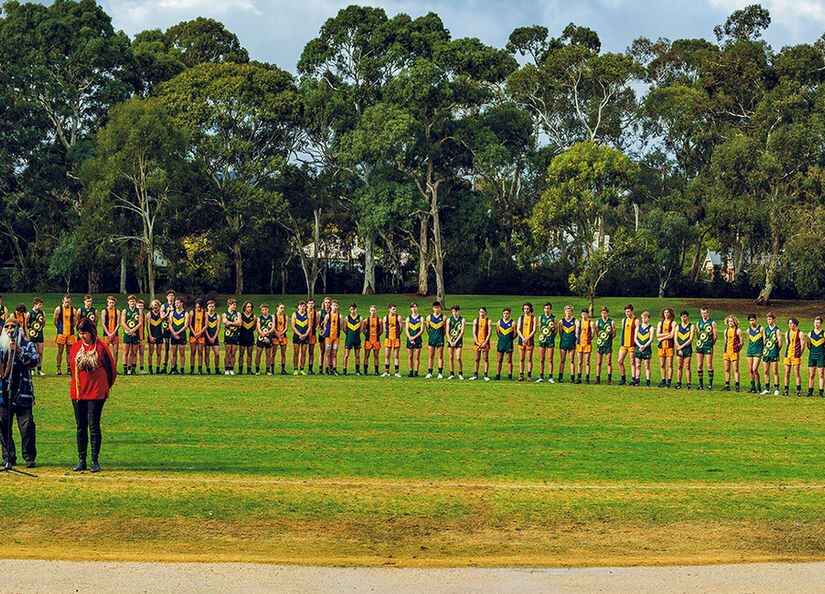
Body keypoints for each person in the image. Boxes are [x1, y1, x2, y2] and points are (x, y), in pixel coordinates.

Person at [69, 317, 117, 473]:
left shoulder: (101, 347)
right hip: (78, 392)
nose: (82, 336)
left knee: (93, 426)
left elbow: (111, 370)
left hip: (96, 393)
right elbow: (71, 368)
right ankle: (81, 459)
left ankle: (94, 460)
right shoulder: (76, 347)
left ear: (91, 332)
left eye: (85, 333)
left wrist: (104, 387)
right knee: (80, 427)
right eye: (80, 333)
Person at [0, 317, 39, 469]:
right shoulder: (1, 347)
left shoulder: (27, 345)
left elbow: (34, 361)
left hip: (23, 393)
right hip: (4, 393)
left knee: (27, 426)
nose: (10, 330)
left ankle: (29, 457)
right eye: (7, 327)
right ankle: (8, 457)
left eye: (13, 327)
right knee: (3, 424)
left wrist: (19, 352)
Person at [695, 306, 718, 390]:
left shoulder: (712, 323)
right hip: (700, 346)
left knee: (709, 364)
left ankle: (710, 385)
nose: (703, 314)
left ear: (708, 313)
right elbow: (698, 334)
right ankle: (700, 384)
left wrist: (711, 344)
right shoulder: (698, 323)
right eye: (702, 313)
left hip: (708, 346)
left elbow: (715, 336)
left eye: (705, 313)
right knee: (699, 365)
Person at [54, 295, 76, 376]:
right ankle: (58, 368)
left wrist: (70, 329)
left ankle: (69, 368)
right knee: (60, 350)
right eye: (66, 302)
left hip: (70, 333)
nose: (67, 304)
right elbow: (55, 321)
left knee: (69, 352)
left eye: (69, 302)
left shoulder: (73, 310)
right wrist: (60, 328)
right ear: (63, 301)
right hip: (61, 333)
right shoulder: (58, 309)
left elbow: (74, 322)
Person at [783, 317, 805, 397]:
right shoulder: (787, 333)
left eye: (791, 323)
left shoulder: (800, 333)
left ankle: (798, 391)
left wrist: (799, 354)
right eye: (789, 323)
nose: (790, 325)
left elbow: (803, 346)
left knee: (796, 373)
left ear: (795, 323)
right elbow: (787, 343)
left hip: (796, 356)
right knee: (787, 373)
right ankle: (786, 390)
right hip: (788, 355)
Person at [121, 295, 142, 375]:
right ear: (128, 302)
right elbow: (123, 322)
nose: (132, 303)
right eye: (131, 301)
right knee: (126, 352)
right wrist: (129, 330)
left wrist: (133, 330)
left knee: (134, 352)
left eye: (133, 301)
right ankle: (125, 370)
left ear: (135, 302)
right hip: (127, 333)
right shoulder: (125, 311)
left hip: (136, 333)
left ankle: (133, 369)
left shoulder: (139, 311)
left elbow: (140, 323)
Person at [617, 304, 638, 386]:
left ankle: (634, 379)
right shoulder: (624, 320)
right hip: (624, 344)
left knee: (632, 362)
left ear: (632, 311)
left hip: (632, 345)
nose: (627, 313)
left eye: (628, 311)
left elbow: (637, 332)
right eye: (626, 312)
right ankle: (623, 378)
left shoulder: (636, 321)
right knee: (620, 361)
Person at [535, 302, 556, 383]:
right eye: (545, 308)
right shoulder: (541, 317)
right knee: (541, 359)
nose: (547, 310)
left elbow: (556, 330)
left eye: (548, 308)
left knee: (550, 359)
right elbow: (540, 328)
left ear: (550, 309)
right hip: (542, 340)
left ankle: (550, 377)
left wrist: (550, 337)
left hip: (550, 340)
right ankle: (541, 377)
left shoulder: (554, 318)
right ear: (543, 309)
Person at [761, 312, 781, 396]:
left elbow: (780, 343)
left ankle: (776, 389)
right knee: (766, 371)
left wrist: (776, 351)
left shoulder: (777, 330)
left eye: (770, 319)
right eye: (767, 320)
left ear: (773, 319)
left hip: (774, 353)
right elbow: (764, 341)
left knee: (774, 371)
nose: (768, 321)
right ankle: (767, 388)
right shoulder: (765, 330)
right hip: (766, 352)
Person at [167, 297, 189, 375]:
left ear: (182, 303)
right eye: (175, 303)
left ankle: (182, 369)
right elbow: (170, 324)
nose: (176, 304)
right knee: (173, 353)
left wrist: (177, 333)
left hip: (182, 335)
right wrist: (174, 333)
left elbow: (186, 326)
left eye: (178, 303)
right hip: (173, 335)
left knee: (182, 353)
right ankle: (173, 368)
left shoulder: (186, 313)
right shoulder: (172, 313)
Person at [721, 315, 743, 392]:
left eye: (731, 321)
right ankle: (727, 386)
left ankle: (737, 386)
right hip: (726, 352)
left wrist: (737, 350)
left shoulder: (738, 331)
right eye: (729, 321)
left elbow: (742, 342)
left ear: (735, 322)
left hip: (734, 352)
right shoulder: (725, 331)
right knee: (727, 369)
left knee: (735, 369)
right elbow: (725, 341)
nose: (730, 323)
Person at [25, 298, 46, 377]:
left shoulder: (42, 313)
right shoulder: (29, 313)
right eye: (39, 304)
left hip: (40, 335)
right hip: (32, 335)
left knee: (40, 352)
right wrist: (30, 333)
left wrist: (39, 330)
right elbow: (26, 324)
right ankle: (32, 369)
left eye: (41, 304)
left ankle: (39, 369)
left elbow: (43, 323)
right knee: (33, 353)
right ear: (35, 304)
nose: (41, 306)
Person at [594, 306, 615, 385]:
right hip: (600, 344)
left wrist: (607, 339)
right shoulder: (598, 322)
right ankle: (597, 379)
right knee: (599, 362)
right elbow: (597, 333)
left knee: (609, 362)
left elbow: (614, 334)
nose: (603, 314)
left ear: (607, 313)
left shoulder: (611, 322)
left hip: (608, 344)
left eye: (605, 313)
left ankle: (609, 379)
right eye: (602, 313)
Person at [516, 302, 536, 382]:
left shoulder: (533, 318)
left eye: (527, 308)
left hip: (529, 340)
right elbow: (518, 329)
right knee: (521, 359)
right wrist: (523, 338)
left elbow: (534, 330)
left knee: (529, 359)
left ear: (530, 309)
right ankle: (521, 375)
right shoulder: (520, 318)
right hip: (521, 340)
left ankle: (528, 376)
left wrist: (527, 338)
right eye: (524, 309)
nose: (526, 310)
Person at [674, 311, 695, 390]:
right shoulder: (678, 327)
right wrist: (678, 347)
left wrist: (681, 347)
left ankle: (688, 383)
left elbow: (691, 339)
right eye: (682, 317)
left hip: (687, 348)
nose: (683, 318)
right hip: (679, 348)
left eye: (685, 317)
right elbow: (675, 338)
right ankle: (678, 383)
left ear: (687, 317)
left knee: (687, 366)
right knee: (679, 366)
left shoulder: (691, 326)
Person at [322, 299, 343, 375]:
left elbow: (340, 327)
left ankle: (334, 369)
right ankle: (327, 369)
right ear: (331, 306)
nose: (335, 307)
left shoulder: (339, 316)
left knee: (334, 353)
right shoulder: (328, 315)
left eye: (336, 305)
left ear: (338, 306)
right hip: (328, 337)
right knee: (327, 353)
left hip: (336, 337)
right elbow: (324, 325)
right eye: (333, 305)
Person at [382, 304, 404, 377]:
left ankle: (397, 372)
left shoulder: (398, 317)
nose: (395, 310)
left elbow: (401, 328)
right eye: (393, 309)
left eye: (395, 309)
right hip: (388, 339)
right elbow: (385, 329)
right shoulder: (385, 318)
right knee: (387, 355)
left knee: (396, 356)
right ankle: (387, 372)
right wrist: (389, 334)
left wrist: (397, 334)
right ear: (389, 309)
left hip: (396, 338)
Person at [656, 308, 676, 388]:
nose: (666, 314)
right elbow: (657, 335)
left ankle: (669, 381)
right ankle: (663, 381)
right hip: (661, 346)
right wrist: (667, 334)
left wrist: (662, 337)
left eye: (668, 312)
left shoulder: (673, 323)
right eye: (665, 312)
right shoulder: (660, 323)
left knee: (670, 364)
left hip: (670, 346)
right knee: (662, 364)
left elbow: (672, 336)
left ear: (671, 313)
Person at [471, 306, 492, 381]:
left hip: (485, 342)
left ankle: (486, 375)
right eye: (480, 312)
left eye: (483, 312)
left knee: (485, 358)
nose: (481, 313)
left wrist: (485, 342)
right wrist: (477, 342)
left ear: (485, 312)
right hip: (477, 342)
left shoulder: (488, 321)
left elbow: (489, 333)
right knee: (477, 358)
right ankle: (475, 374)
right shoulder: (476, 321)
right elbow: (474, 332)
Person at [745, 314, 764, 394]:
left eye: (753, 320)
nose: (751, 322)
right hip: (750, 351)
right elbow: (749, 341)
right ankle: (753, 388)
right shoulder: (748, 330)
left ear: (756, 320)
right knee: (750, 370)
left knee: (754, 369)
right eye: (750, 320)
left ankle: (759, 387)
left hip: (758, 351)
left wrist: (763, 349)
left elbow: (764, 340)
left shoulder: (761, 329)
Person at [426, 302, 445, 379]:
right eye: (435, 308)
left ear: (440, 308)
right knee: (431, 355)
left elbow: (444, 330)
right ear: (433, 308)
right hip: (431, 339)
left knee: (440, 355)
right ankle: (430, 372)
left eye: (438, 307)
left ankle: (440, 373)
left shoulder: (444, 318)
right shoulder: (429, 317)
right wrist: (432, 336)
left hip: (440, 338)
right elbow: (427, 329)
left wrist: (440, 336)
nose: (436, 309)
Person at [806, 315, 825, 398]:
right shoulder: (810, 334)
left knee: (821, 374)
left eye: (817, 322)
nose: (816, 324)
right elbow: (808, 345)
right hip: (812, 355)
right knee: (811, 374)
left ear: (821, 324)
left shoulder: (824, 334)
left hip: (821, 356)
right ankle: (810, 391)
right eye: (815, 322)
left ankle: (821, 392)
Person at [446, 305, 466, 380]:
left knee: (458, 358)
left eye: (455, 311)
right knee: (451, 357)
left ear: (458, 311)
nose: (454, 313)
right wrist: (450, 341)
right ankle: (452, 374)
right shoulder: (449, 320)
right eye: (453, 311)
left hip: (458, 341)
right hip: (450, 341)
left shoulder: (462, 320)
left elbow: (462, 332)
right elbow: (447, 332)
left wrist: (456, 341)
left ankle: (460, 373)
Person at [634, 311, 654, 387]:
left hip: (646, 349)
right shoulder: (638, 327)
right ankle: (637, 380)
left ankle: (648, 381)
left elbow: (651, 339)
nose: (644, 319)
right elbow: (635, 338)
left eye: (645, 318)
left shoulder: (651, 328)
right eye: (642, 318)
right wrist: (639, 346)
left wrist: (644, 346)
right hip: (639, 348)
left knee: (647, 365)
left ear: (648, 318)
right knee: (638, 365)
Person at [188, 298, 207, 375]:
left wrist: (199, 333)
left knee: (200, 352)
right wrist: (194, 333)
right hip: (193, 335)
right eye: (197, 306)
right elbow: (189, 324)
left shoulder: (205, 313)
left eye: (200, 307)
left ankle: (200, 369)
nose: (198, 308)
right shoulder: (192, 313)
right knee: (193, 352)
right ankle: (192, 369)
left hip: (201, 335)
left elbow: (206, 325)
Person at [291, 300, 311, 375]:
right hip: (297, 336)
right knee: (296, 352)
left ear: (305, 307)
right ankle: (295, 369)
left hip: (305, 336)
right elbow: (292, 326)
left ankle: (302, 368)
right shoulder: (294, 314)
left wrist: (305, 334)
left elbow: (309, 326)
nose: (302, 307)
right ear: (298, 307)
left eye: (303, 306)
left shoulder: (308, 315)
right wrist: (299, 334)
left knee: (303, 352)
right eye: (301, 306)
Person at [558, 305, 576, 383]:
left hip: (572, 343)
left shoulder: (575, 321)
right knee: (562, 360)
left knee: (571, 360)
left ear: (571, 312)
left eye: (569, 311)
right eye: (567, 311)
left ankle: (572, 377)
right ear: (565, 312)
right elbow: (560, 333)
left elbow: (576, 333)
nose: (568, 312)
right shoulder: (561, 321)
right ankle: (560, 376)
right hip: (564, 343)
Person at [405, 302, 424, 378]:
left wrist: (414, 337)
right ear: (411, 309)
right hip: (409, 339)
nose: (414, 308)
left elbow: (422, 330)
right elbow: (406, 329)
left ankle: (416, 372)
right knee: (410, 356)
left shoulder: (421, 318)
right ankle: (410, 372)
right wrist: (410, 337)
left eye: (415, 307)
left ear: (417, 308)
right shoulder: (408, 318)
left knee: (417, 357)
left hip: (417, 339)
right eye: (412, 307)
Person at [495, 307, 514, 381]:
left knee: (509, 360)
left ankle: (509, 375)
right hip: (501, 343)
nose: (506, 315)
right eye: (504, 313)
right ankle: (497, 375)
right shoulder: (499, 322)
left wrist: (509, 340)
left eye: (507, 313)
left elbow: (514, 334)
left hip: (508, 344)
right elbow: (498, 333)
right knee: (499, 359)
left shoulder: (513, 323)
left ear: (509, 314)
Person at [101, 296, 120, 370]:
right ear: (107, 303)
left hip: (115, 334)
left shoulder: (117, 311)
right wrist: (108, 333)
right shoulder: (104, 311)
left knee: (115, 352)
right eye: (110, 303)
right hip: (107, 334)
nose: (111, 304)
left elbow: (118, 324)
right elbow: (103, 324)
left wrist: (113, 333)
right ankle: (106, 367)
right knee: (106, 352)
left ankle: (114, 367)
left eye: (112, 303)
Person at [343, 303, 363, 375]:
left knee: (357, 355)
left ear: (356, 309)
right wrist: (349, 335)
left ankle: (357, 370)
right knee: (346, 355)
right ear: (349, 309)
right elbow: (344, 329)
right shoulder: (347, 318)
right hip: (349, 339)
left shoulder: (360, 318)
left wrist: (356, 334)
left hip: (357, 339)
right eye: (351, 309)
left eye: (354, 309)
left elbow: (361, 329)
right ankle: (344, 370)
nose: (352, 311)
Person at [255, 303, 275, 375]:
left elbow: (273, 328)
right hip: (261, 338)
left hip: (269, 338)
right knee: (258, 353)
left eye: (265, 309)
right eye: (263, 310)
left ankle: (267, 370)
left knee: (268, 354)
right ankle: (257, 370)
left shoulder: (271, 317)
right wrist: (264, 336)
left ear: (268, 309)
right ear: (261, 311)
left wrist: (266, 335)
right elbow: (258, 328)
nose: (264, 311)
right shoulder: (259, 318)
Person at [362, 305, 382, 375]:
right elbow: (363, 330)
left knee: (376, 356)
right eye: (372, 310)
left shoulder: (379, 320)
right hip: (368, 340)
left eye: (374, 310)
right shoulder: (366, 320)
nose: (373, 312)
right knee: (366, 355)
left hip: (376, 340)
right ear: (369, 311)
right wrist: (367, 335)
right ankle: (365, 371)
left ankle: (376, 371)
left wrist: (377, 335)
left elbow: (381, 330)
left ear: (376, 311)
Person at [222, 299, 241, 375]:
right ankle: (226, 369)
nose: (235, 306)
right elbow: (225, 323)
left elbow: (239, 323)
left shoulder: (238, 314)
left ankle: (231, 369)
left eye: (235, 305)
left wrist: (230, 322)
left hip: (236, 335)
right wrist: (234, 323)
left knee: (233, 353)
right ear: (229, 305)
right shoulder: (224, 314)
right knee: (227, 353)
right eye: (233, 305)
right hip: (228, 336)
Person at [575, 308, 593, 384]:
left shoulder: (590, 323)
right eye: (582, 314)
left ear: (588, 314)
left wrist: (587, 340)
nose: (584, 316)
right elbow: (576, 333)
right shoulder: (579, 322)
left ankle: (587, 378)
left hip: (587, 344)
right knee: (579, 362)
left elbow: (592, 334)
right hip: (580, 344)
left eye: (585, 314)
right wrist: (579, 340)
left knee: (587, 362)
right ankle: (579, 378)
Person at [146, 300, 165, 374]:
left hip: (159, 335)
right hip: (152, 335)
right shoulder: (149, 314)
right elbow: (147, 326)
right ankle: (150, 368)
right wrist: (150, 336)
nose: (155, 309)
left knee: (159, 353)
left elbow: (163, 317)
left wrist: (160, 311)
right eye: (153, 307)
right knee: (150, 352)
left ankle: (158, 368)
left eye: (156, 307)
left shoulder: (161, 314)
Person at [238, 301, 256, 375]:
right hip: (242, 336)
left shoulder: (254, 317)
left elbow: (254, 327)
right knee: (241, 354)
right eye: (248, 306)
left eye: (251, 307)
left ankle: (249, 370)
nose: (250, 308)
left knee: (250, 354)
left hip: (250, 336)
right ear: (244, 307)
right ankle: (240, 370)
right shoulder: (241, 316)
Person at [204, 300, 221, 375]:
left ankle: (217, 369)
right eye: (210, 306)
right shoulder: (205, 315)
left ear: (214, 307)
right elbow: (204, 328)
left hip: (215, 337)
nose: (211, 308)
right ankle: (208, 369)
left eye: (212, 306)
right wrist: (209, 337)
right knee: (207, 354)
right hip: (207, 337)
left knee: (217, 354)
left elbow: (218, 328)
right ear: (207, 307)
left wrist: (214, 337)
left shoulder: (217, 316)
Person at [160, 290, 176, 373]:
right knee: (166, 348)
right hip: (166, 329)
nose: (171, 297)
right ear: (167, 297)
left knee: (174, 349)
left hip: (174, 329)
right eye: (169, 295)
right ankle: (164, 367)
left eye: (172, 295)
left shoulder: (176, 305)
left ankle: (174, 367)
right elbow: (162, 317)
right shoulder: (163, 306)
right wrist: (168, 312)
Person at [273, 303, 289, 375]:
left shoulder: (286, 317)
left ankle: (283, 370)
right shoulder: (273, 316)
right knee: (273, 353)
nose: (282, 309)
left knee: (283, 354)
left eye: (283, 308)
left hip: (283, 336)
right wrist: (278, 336)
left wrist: (281, 335)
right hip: (275, 336)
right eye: (281, 308)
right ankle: (272, 369)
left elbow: (286, 328)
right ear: (277, 308)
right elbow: (273, 327)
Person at [306, 299, 318, 375]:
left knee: (311, 352)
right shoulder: (304, 312)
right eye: (309, 303)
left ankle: (310, 368)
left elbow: (316, 323)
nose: (311, 305)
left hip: (312, 334)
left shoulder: (316, 313)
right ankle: (302, 367)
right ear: (307, 304)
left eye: (312, 303)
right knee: (303, 351)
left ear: (313, 304)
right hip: (305, 333)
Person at [136, 299, 147, 374]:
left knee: (142, 352)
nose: (141, 307)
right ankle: (131, 368)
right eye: (139, 306)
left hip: (142, 336)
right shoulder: (135, 314)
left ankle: (141, 368)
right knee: (133, 353)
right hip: (135, 336)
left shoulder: (144, 315)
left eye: (142, 306)